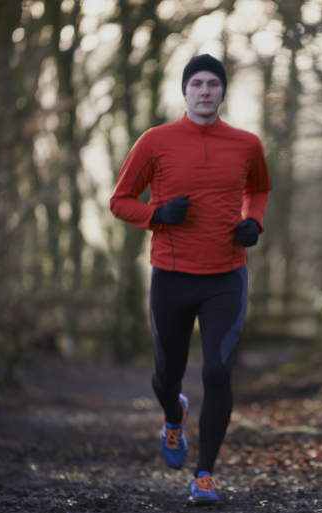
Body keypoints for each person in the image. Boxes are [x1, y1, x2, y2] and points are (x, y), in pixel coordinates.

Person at [110, 54, 271, 506]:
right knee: (167, 376)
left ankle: (205, 474)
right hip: (172, 277)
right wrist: (157, 215)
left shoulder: (246, 144)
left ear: (223, 92)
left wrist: (253, 223)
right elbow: (120, 200)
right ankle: (173, 413)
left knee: (218, 372)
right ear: (184, 91)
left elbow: (258, 189)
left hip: (226, 276)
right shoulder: (155, 141)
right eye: (196, 83)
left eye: (213, 84)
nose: (205, 91)